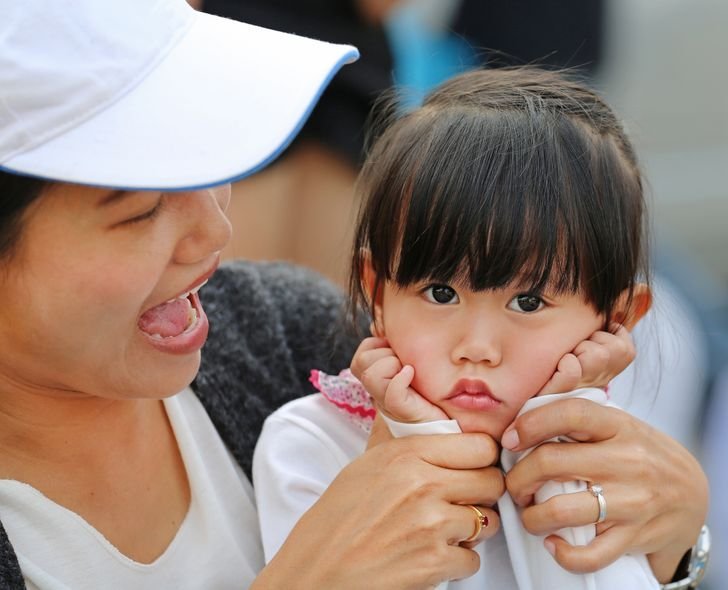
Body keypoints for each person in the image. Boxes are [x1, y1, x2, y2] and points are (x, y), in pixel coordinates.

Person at [0, 1, 709, 589]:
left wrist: (675, 545)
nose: (214, 232)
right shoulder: (311, 436)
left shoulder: (290, 337)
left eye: (211, 166)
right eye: (140, 212)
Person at [252, 68, 709, 589]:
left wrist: (550, 450)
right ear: (376, 291)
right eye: (441, 294)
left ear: (617, 319)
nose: (478, 348)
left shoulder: (610, 457)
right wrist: (415, 436)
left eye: (529, 301)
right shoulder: (310, 443)